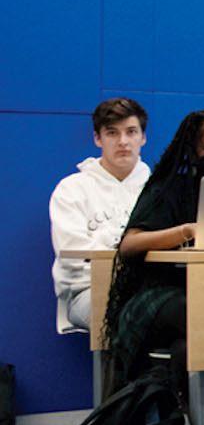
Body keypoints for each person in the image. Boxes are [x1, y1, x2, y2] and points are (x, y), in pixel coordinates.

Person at [103, 109, 204, 394]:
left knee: (188, 351)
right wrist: (185, 231)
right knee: (201, 313)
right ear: (193, 150)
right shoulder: (169, 189)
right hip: (163, 294)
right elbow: (129, 244)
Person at [50, 98, 151, 334]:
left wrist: (102, 239)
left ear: (143, 138)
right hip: (88, 291)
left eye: (131, 132)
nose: (123, 141)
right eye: (112, 133)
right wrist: (133, 245)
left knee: (193, 313)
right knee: (137, 313)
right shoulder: (71, 189)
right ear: (98, 139)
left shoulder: (158, 190)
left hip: (149, 287)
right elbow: (73, 256)